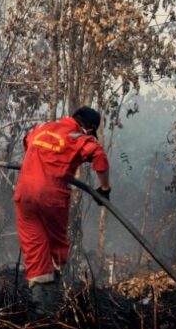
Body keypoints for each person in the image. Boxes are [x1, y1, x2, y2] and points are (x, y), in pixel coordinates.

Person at [13, 106, 110, 312]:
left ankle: (40, 305)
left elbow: (26, 141)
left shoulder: (42, 128)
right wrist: (104, 189)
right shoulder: (79, 137)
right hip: (52, 197)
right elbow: (100, 157)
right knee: (56, 246)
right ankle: (54, 298)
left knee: (34, 247)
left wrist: (38, 163)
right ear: (90, 128)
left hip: (25, 195)